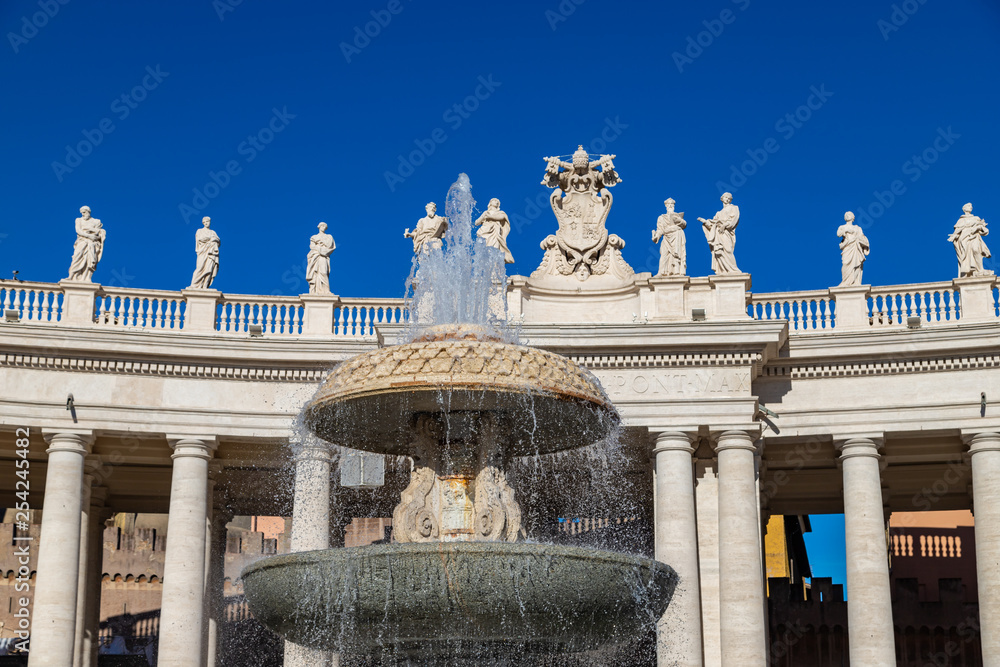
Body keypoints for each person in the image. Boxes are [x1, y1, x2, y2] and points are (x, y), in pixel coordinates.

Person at [698, 192, 741, 274]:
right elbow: (712, 225)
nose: (727, 199)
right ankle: (723, 270)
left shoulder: (734, 208)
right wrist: (704, 221)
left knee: (728, 250)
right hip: (718, 233)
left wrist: (724, 225)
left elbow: (734, 219)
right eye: (726, 197)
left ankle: (733, 269)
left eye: (729, 198)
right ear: (722, 198)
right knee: (719, 252)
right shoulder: (718, 213)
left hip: (726, 232)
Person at [949, 203, 992, 277]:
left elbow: (984, 229)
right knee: (966, 254)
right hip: (964, 238)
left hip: (974, 236)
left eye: (971, 206)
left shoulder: (976, 218)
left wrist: (979, 228)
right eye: (969, 206)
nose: (971, 207)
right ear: (964, 208)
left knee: (976, 250)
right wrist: (953, 236)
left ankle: (980, 269)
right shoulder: (960, 220)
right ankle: (969, 270)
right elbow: (957, 231)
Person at [67, 206, 106, 282]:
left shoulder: (96, 221)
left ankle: (87, 278)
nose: (83, 214)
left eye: (84, 212)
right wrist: (89, 235)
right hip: (82, 241)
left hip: (93, 243)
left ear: (88, 212)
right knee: (77, 257)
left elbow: (99, 233)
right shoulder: (79, 220)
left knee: (90, 259)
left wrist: (91, 231)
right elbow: (78, 230)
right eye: (82, 213)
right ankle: (71, 276)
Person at [652, 198, 686, 276]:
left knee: (676, 255)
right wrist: (656, 237)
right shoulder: (662, 217)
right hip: (666, 236)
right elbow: (660, 229)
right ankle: (661, 272)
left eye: (672, 205)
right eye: (669, 205)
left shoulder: (677, 216)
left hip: (676, 235)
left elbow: (684, 224)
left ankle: (676, 271)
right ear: (666, 206)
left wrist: (678, 220)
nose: (670, 206)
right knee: (664, 254)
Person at [474, 198, 514, 263]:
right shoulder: (485, 212)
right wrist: (483, 217)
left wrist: (490, 217)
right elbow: (476, 223)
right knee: (485, 250)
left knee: (495, 250)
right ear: (490, 203)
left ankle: (494, 268)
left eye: (497, 201)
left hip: (495, 233)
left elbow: (502, 217)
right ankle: (486, 266)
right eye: (494, 200)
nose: (496, 202)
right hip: (485, 231)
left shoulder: (500, 213)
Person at [837, 211, 870, 286]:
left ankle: (854, 281)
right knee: (845, 263)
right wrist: (846, 230)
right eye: (846, 215)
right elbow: (838, 234)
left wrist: (862, 241)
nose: (847, 216)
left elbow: (862, 237)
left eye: (849, 215)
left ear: (853, 217)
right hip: (847, 247)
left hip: (855, 247)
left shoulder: (857, 228)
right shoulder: (842, 227)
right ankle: (845, 281)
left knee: (856, 263)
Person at [189, 217, 221, 289]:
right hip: (203, 251)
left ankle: (204, 286)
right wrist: (210, 239)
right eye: (205, 222)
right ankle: (194, 285)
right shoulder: (199, 231)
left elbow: (218, 240)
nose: (206, 223)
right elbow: (200, 239)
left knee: (209, 269)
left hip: (211, 253)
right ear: (203, 223)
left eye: (208, 221)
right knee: (200, 267)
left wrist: (214, 240)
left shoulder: (213, 232)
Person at [306, 222, 336, 294]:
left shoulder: (329, 237)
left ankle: (326, 291)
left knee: (323, 272)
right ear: (319, 227)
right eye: (322, 226)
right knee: (315, 274)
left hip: (323, 257)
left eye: (324, 226)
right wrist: (320, 247)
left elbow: (330, 246)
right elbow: (312, 247)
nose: (323, 227)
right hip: (315, 257)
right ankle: (315, 291)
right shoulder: (314, 237)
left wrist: (320, 245)